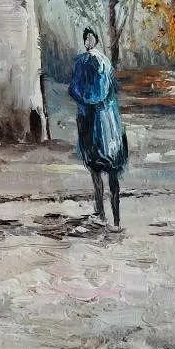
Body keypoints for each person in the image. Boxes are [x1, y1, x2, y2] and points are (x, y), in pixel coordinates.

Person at [69, 27, 128, 229]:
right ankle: (103, 214)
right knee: (99, 169)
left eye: (91, 38)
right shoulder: (85, 62)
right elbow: (76, 88)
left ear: (95, 40)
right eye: (86, 38)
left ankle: (113, 217)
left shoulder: (100, 62)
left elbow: (99, 90)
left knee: (107, 169)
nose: (89, 41)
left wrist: (86, 99)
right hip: (96, 120)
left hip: (102, 122)